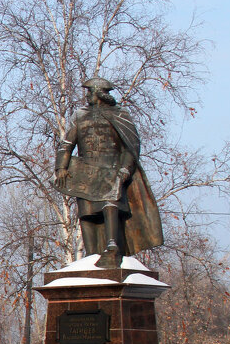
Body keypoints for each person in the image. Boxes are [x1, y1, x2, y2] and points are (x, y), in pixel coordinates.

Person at [54, 77, 163, 267]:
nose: (87, 95)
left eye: (90, 92)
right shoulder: (80, 115)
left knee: (110, 205)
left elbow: (131, 146)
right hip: (86, 173)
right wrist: (61, 167)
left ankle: (113, 248)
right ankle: (91, 256)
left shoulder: (120, 114)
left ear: (99, 94)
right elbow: (66, 144)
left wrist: (124, 171)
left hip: (111, 171)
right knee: (86, 214)